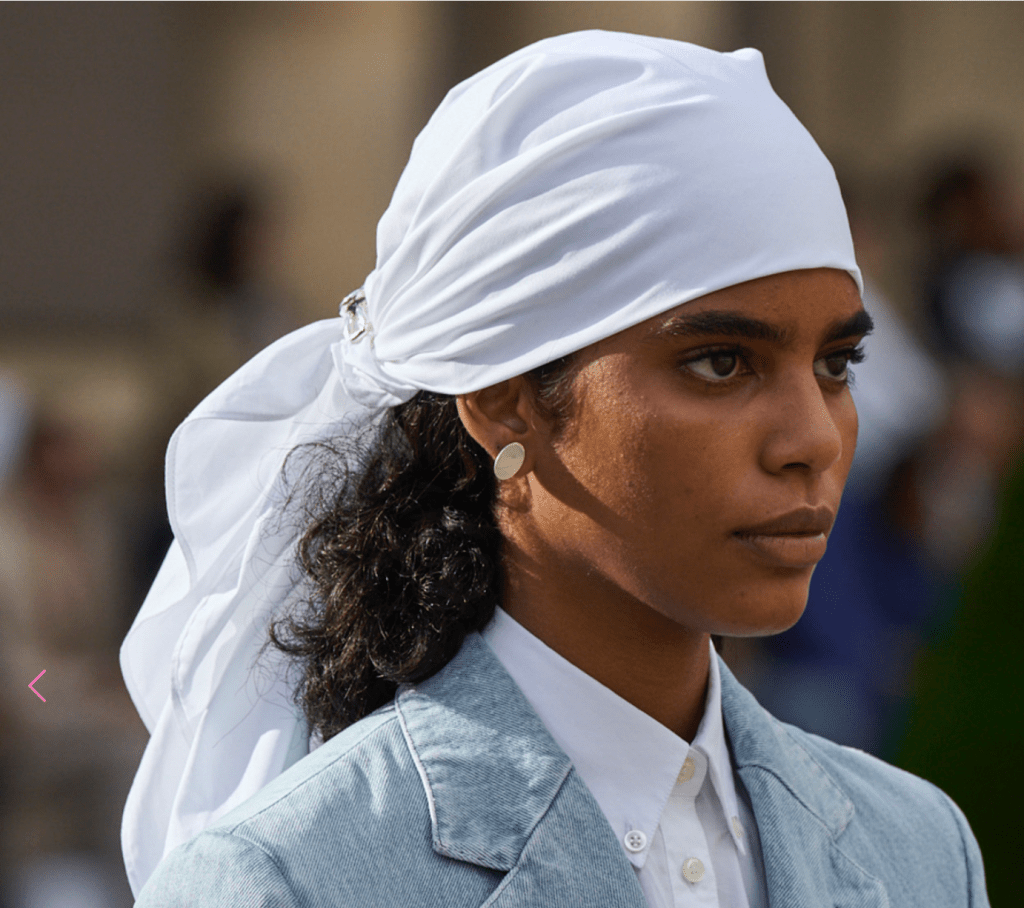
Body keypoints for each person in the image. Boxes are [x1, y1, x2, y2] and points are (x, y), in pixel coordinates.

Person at [123, 31, 988, 907]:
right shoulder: (288, 880)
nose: (815, 438)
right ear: (504, 400)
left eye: (837, 364)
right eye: (721, 363)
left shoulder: (920, 850)